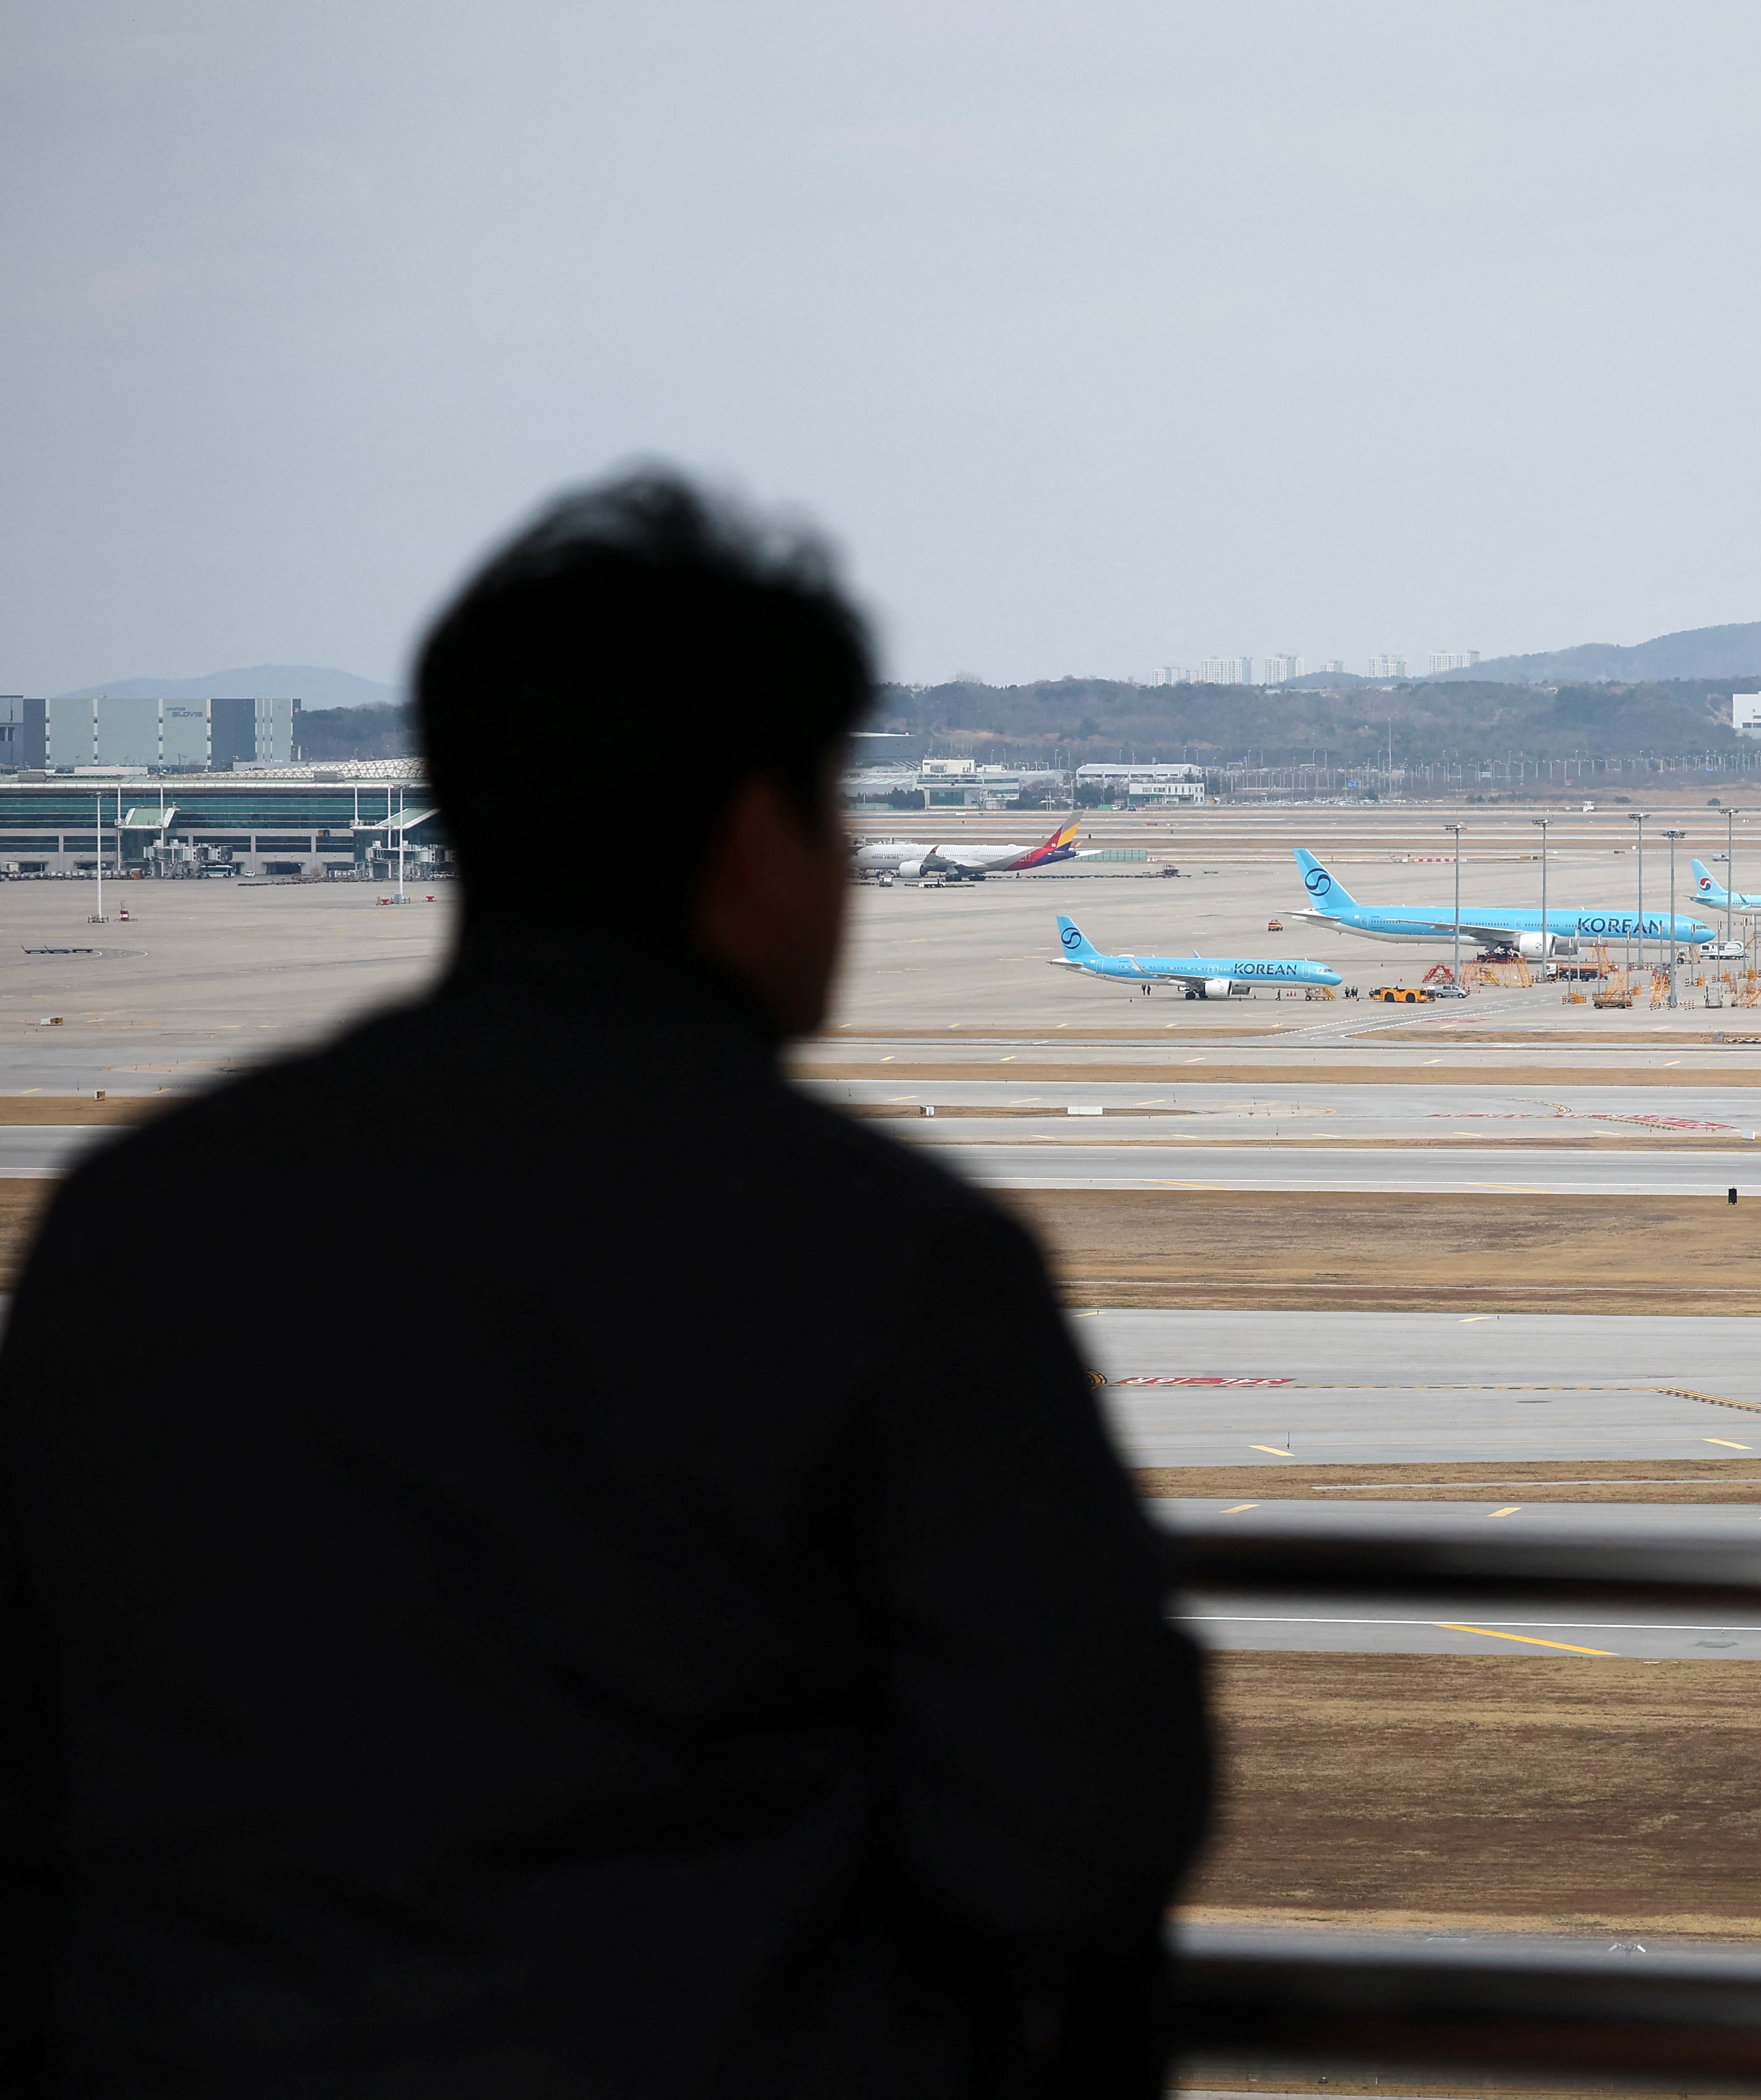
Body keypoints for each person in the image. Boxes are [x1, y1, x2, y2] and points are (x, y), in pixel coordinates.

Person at [0, 473, 1210, 2093]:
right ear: (753, 838)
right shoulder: (885, 1256)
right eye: (832, 810)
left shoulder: (135, 1223)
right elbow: (1079, 1812)